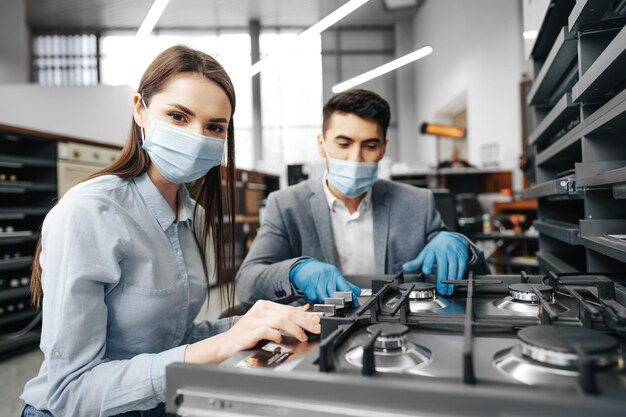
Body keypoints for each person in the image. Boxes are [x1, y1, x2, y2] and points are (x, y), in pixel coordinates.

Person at [20, 45, 320, 417]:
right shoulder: (90, 211)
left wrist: (247, 324)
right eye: (178, 116)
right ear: (140, 110)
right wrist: (222, 345)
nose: (197, 138)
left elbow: (170, 340)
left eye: (214, 126)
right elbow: (71, 391)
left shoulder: (192, 214)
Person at [236, 89, 488, 306]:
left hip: (395, 333)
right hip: (316, 336)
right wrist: (294, 272)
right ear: (322, 144)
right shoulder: (286, 204)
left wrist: (462, 246)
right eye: (343, 144)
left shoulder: (417, 203)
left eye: (370, 146)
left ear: (383, 148)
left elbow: (475, 273)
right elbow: (246, 285)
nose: (355, 159)